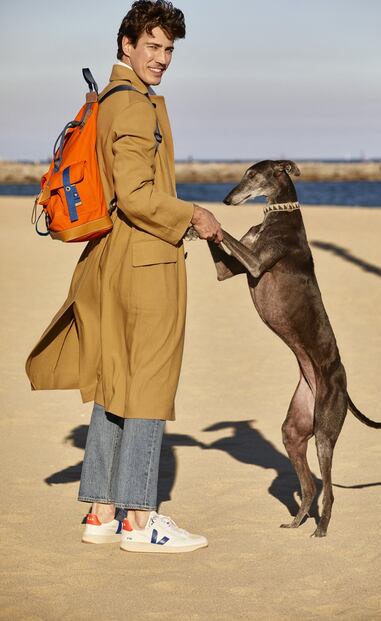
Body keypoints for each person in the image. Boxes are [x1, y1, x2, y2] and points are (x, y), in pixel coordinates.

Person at [26, 0, 223, 554]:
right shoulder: (135, 104)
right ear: (126, 46)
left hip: (107, 259)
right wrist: (193, 217)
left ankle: (100, 510)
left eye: (169, 49)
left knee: (116, 378)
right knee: (148, 386)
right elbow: (136, 194)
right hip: (145, 262)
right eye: (153, 46)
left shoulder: (106, 99)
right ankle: (139, 519)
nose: (162, 58)